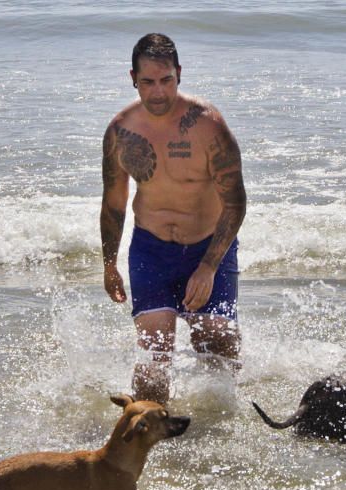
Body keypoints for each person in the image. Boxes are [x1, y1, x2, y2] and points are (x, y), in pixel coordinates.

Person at [99, 33, 246, 404]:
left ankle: (220, 425)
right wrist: (109, 263)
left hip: (208, 245)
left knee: (216, 341)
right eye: (148, 82)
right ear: (133, 78)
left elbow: (235, 202)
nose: (158, 92)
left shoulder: (208, 125)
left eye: (166, 80)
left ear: (179, 74)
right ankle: (152, 442)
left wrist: (208, 267)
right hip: (151, 249)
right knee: (154, 355)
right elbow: (114, 204)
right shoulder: (121, 132)